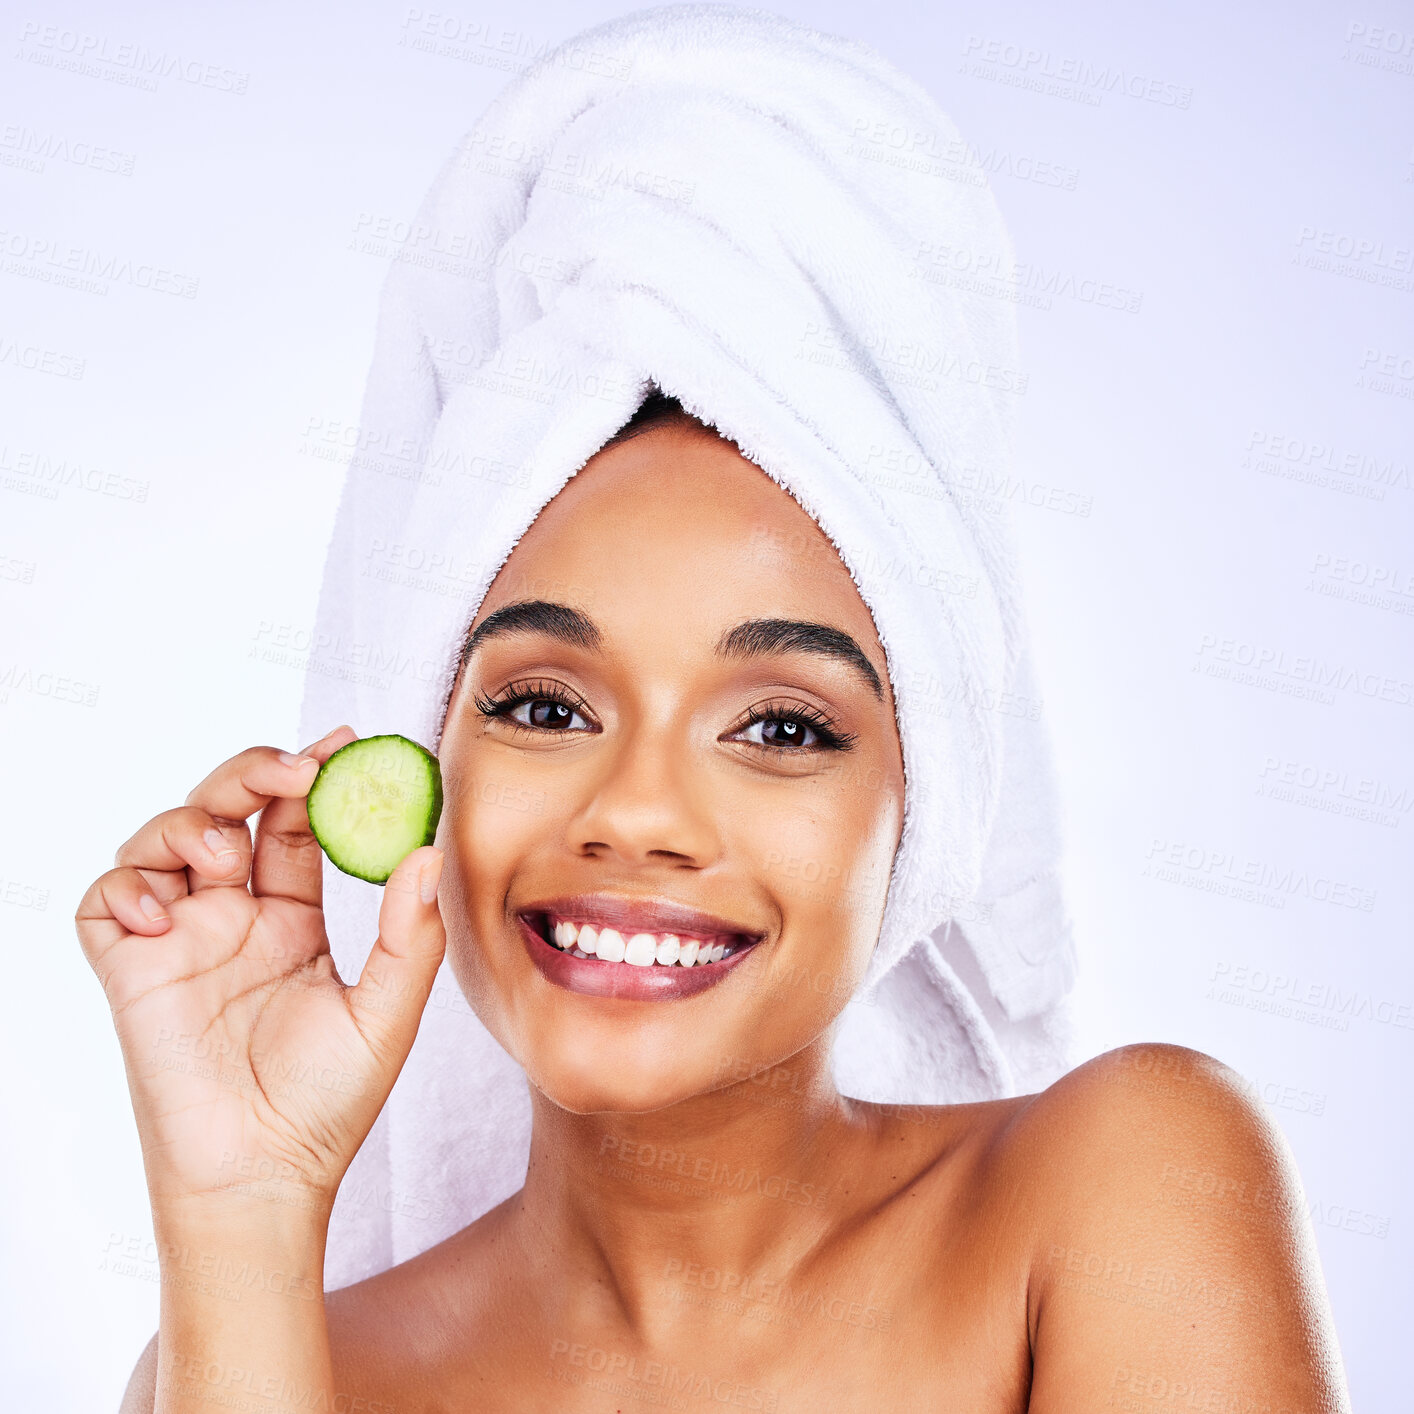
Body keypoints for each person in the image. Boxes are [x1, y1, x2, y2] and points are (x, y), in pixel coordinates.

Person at [82, 394, 1350, 1412]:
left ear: (919, 817)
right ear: (433, 781)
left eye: (783, 726)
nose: (634, 811)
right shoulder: (266, 1370)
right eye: (543, 707)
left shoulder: (1121, 1186)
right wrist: (240, 1206)